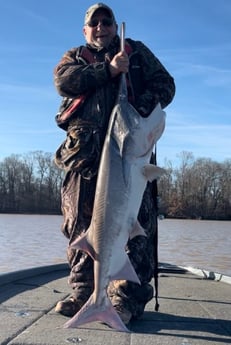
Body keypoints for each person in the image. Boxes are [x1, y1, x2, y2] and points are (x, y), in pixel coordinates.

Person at [54, 3, 175, 325]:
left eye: (107, 21)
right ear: (85, 30)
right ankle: (84, 292)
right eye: (94, 23)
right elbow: (64, 83)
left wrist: (138, 113)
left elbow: (166, 85)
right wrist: (107, 70)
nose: (101, 27)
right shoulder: (75, 57)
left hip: (129, 159)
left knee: (136, 227)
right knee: (80, 227)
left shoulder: (137, 52)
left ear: (113, 26)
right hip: (85, 159)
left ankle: (126, 299)